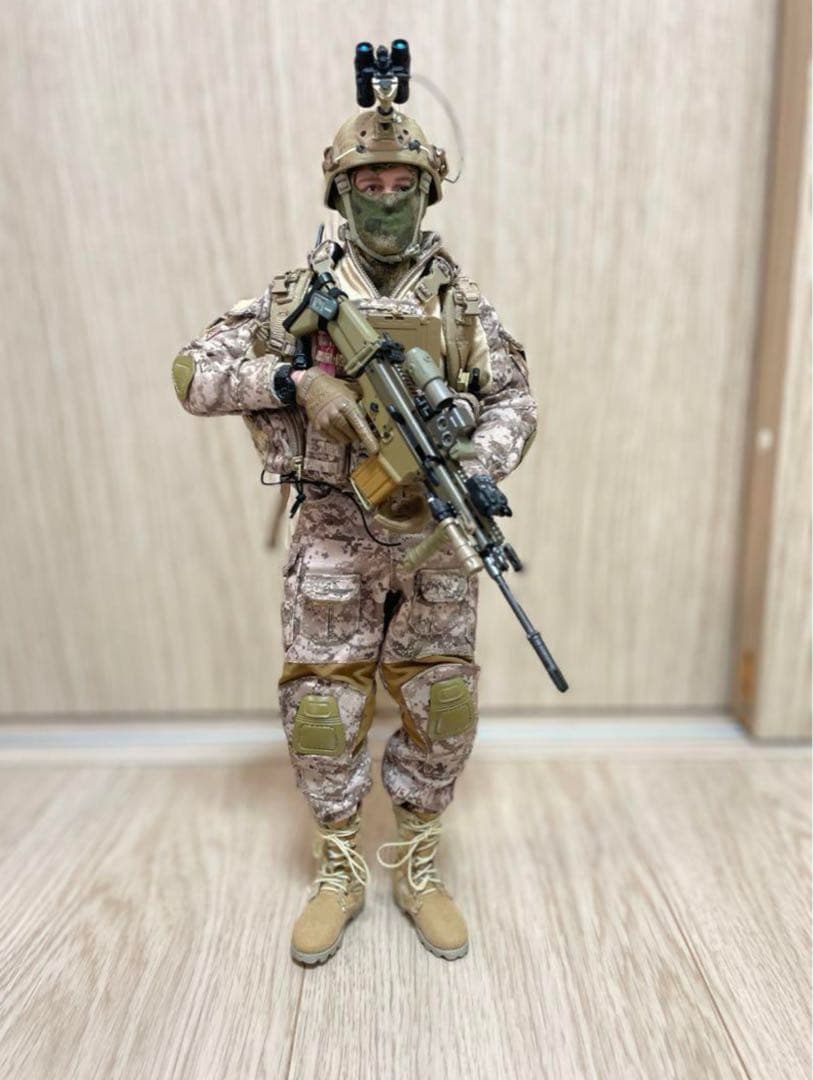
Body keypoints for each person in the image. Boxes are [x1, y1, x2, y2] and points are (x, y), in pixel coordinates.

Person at [172, 97, 537, 966]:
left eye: (399, 182)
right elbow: (193, 375)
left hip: (433, 532)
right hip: (333, 533)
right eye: (366, 182)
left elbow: (514, 401)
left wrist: (476, 467)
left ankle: (415, 861)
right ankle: (338, 865)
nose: (383, 198)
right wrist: (295, 383)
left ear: (426, 192)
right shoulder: (294, 301)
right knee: (322, 711)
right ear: (339, 192)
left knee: (443, 703)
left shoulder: (460, 309)